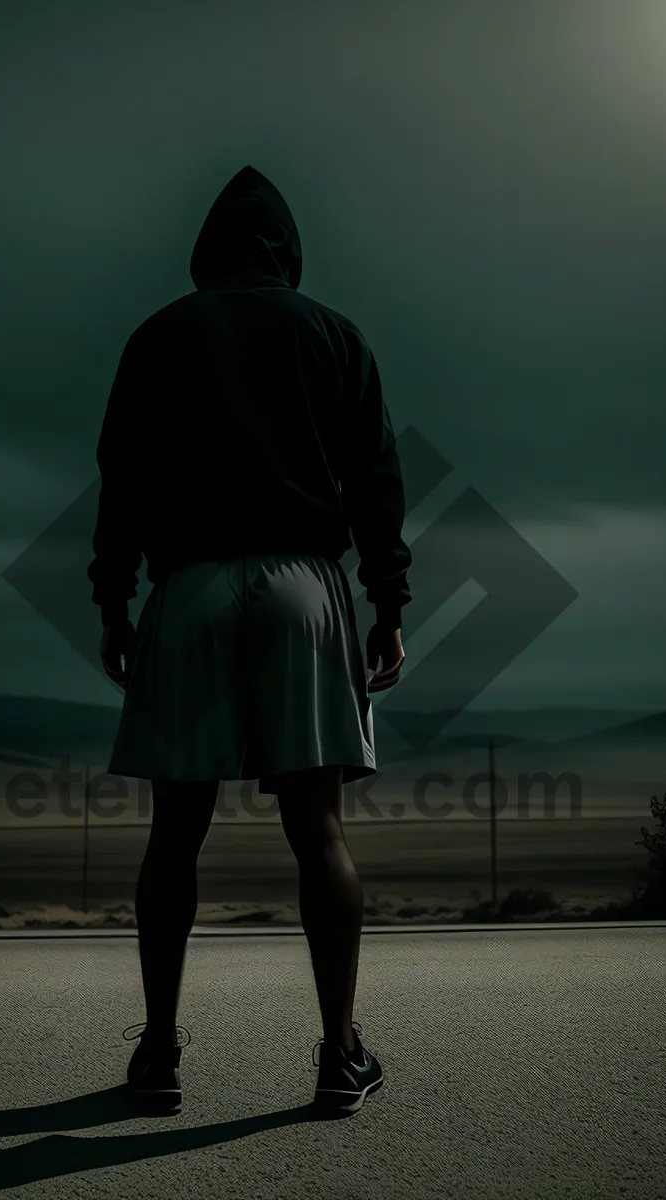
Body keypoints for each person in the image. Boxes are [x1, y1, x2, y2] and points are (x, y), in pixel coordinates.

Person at [87, 164, 411, 1117]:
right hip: (303, 587)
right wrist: (388, 606)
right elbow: (376, 485)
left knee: (173, 834)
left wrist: (116, 606)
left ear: (207, 248)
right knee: (319, 832)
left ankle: (157, 1054)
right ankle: (337, 1053)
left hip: (185, 588)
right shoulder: (335, 337)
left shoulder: (157, 336)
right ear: (288, 248)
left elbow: (121, 485)